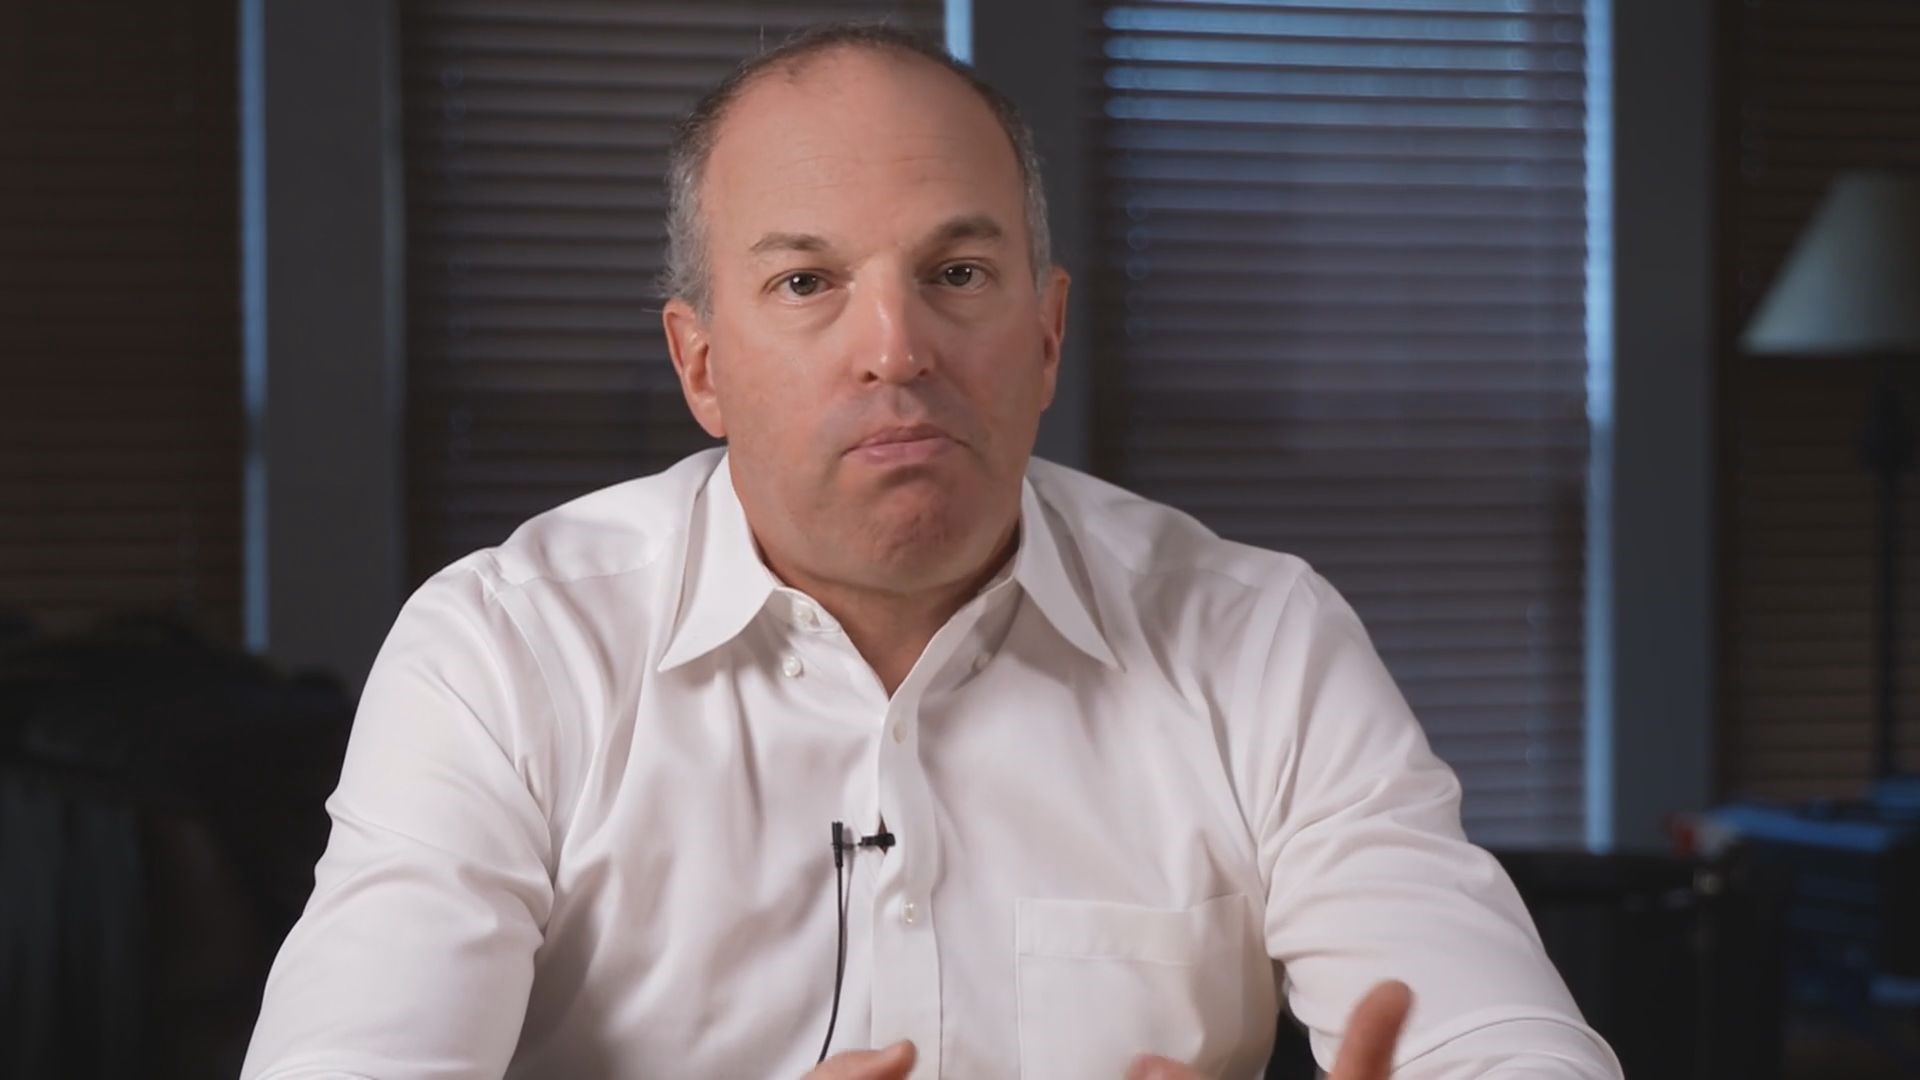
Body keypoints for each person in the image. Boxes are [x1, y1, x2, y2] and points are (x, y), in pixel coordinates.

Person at [243, 23, 1621, 1080]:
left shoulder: (1258, 639)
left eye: (957, 275)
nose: (896, 351)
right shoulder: (502, 653)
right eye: (807, 283)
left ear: (1044, 331)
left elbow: (1503, 1043)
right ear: (701, 363)